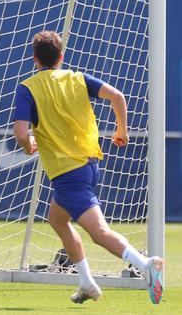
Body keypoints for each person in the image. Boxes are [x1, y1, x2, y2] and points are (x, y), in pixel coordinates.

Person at [13, 31, 164, 304]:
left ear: (35, 59)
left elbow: (21, 133)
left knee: (99, 232)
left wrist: (27, 146)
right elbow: (117, 96)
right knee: (57, 220)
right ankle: (86, 282)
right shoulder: (77, 78)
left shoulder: (28, 87)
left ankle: (144, 265)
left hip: (68, 172)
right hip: (89, 164)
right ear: (61, 57)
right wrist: (122, 131)